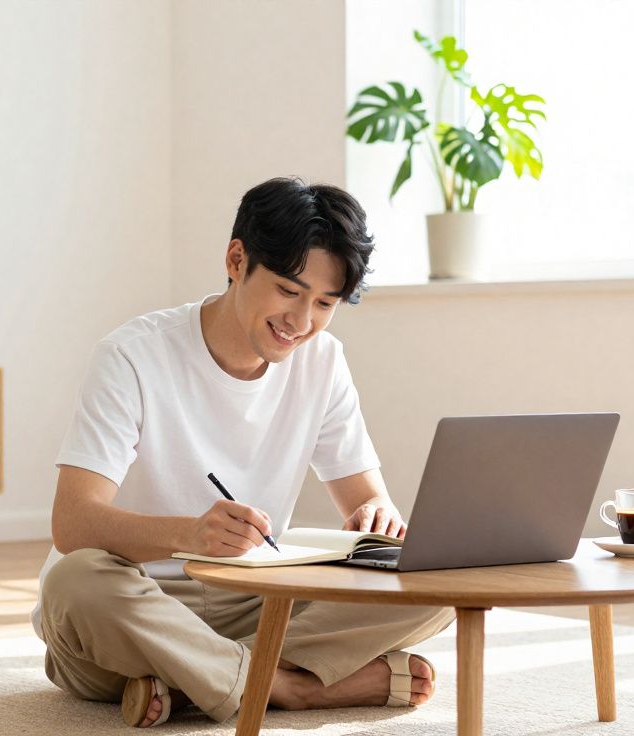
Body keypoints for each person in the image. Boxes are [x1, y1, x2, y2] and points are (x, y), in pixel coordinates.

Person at [33, 177, 455, 727]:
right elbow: (72, 524)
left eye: (324, 303)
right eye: (288, 290)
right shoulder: (131, 357)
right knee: (73, 582)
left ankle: (198, 683)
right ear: (237, 259)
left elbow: (369, 499)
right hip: (136, 601)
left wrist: (378, 518)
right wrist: (189, 534)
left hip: (259, 600)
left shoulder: (323, 361)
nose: (301, 323)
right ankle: (297, 689)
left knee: (441, 585)